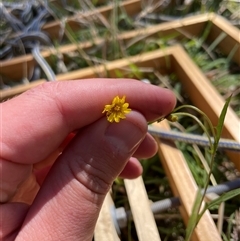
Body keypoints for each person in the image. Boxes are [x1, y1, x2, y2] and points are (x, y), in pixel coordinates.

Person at [0, 78, 176, 240]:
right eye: (116, 108)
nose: (116, 109)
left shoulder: (117, 110)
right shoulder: (114, 112)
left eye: (117, 108)